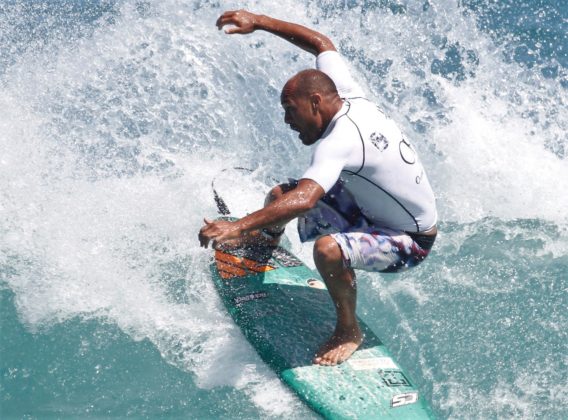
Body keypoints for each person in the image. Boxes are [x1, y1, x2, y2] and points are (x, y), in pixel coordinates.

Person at [199, 10, 438, 366]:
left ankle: (348, 329)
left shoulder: (340, 139)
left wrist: (237, 225)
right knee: (280, 196)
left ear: (315, 102)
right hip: (367, 207)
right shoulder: (347, 94)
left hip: (409, 241)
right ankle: (264, 243)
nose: (286, 121)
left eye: (290, 110)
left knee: (328, 249)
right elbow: (321, 43)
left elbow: (307, 198)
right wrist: (261, 21)